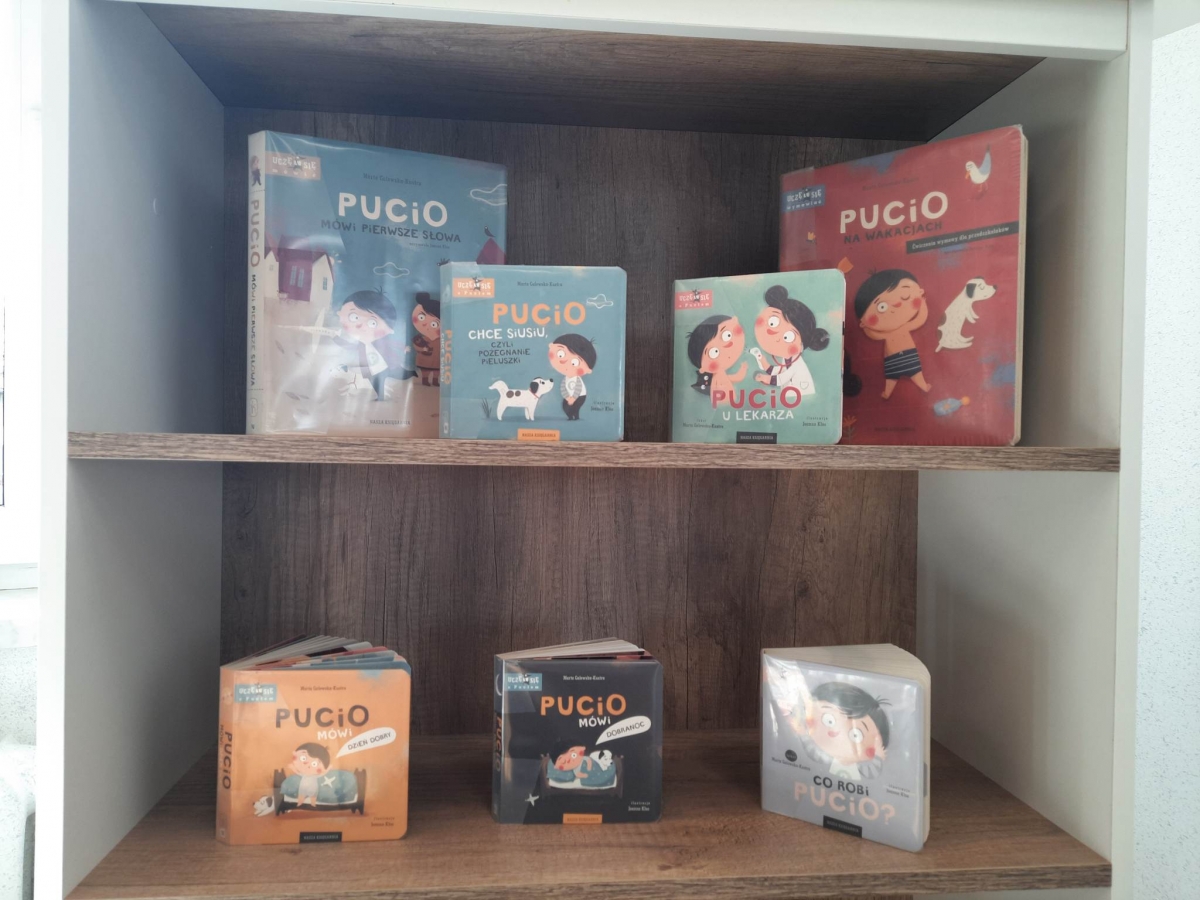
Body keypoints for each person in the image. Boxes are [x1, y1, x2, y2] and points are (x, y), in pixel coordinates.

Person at [852, 269, 932, 399]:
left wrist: (922, 303)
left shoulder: (905, 327)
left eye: (905, 296)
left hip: (909, 355)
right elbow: (874, 335)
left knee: (916, 373)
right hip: (892, 359)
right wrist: (866, 328)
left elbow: (920, 319)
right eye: (881, 307)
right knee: (891, 378)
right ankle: (887, 392)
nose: (896, 305)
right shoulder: (889, 333)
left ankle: (923, 386)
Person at [333, 289, 415, 399]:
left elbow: (392, 343)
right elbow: (349, 346)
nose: (360, 325)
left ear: (389, 329)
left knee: (399, 374)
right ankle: (380, 397)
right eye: (354, 317)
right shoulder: (360, 344)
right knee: (375, 382)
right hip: (370, 369)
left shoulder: (380, 341)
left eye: (372, 323)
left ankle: (411, 373)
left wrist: (403, 347)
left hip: (385, 365)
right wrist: (335, 338)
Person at [751, 284, 830, 396]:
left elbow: (782, 378)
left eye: (788, 337)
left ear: (802, 345)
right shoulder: (787, 358)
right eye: (772, 322)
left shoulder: (796, 363)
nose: (776, 337)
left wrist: (764, 378)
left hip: (801, 396)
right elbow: (779, 370)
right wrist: (761, 359)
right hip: (790, 397)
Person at [548, 333, 597, 421]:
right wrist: (568, 398)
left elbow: (578, 388)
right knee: (565, 407)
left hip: (580, 396)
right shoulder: (565, 379)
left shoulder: (577, 379)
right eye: (560, 354)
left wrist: (573, 398)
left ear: (588, 370)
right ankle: (570, 417)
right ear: (551, 346)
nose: (564, 361)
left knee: (575, 407)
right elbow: (563, 388)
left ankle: (576, 416)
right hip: (569, 396)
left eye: (575, 363)